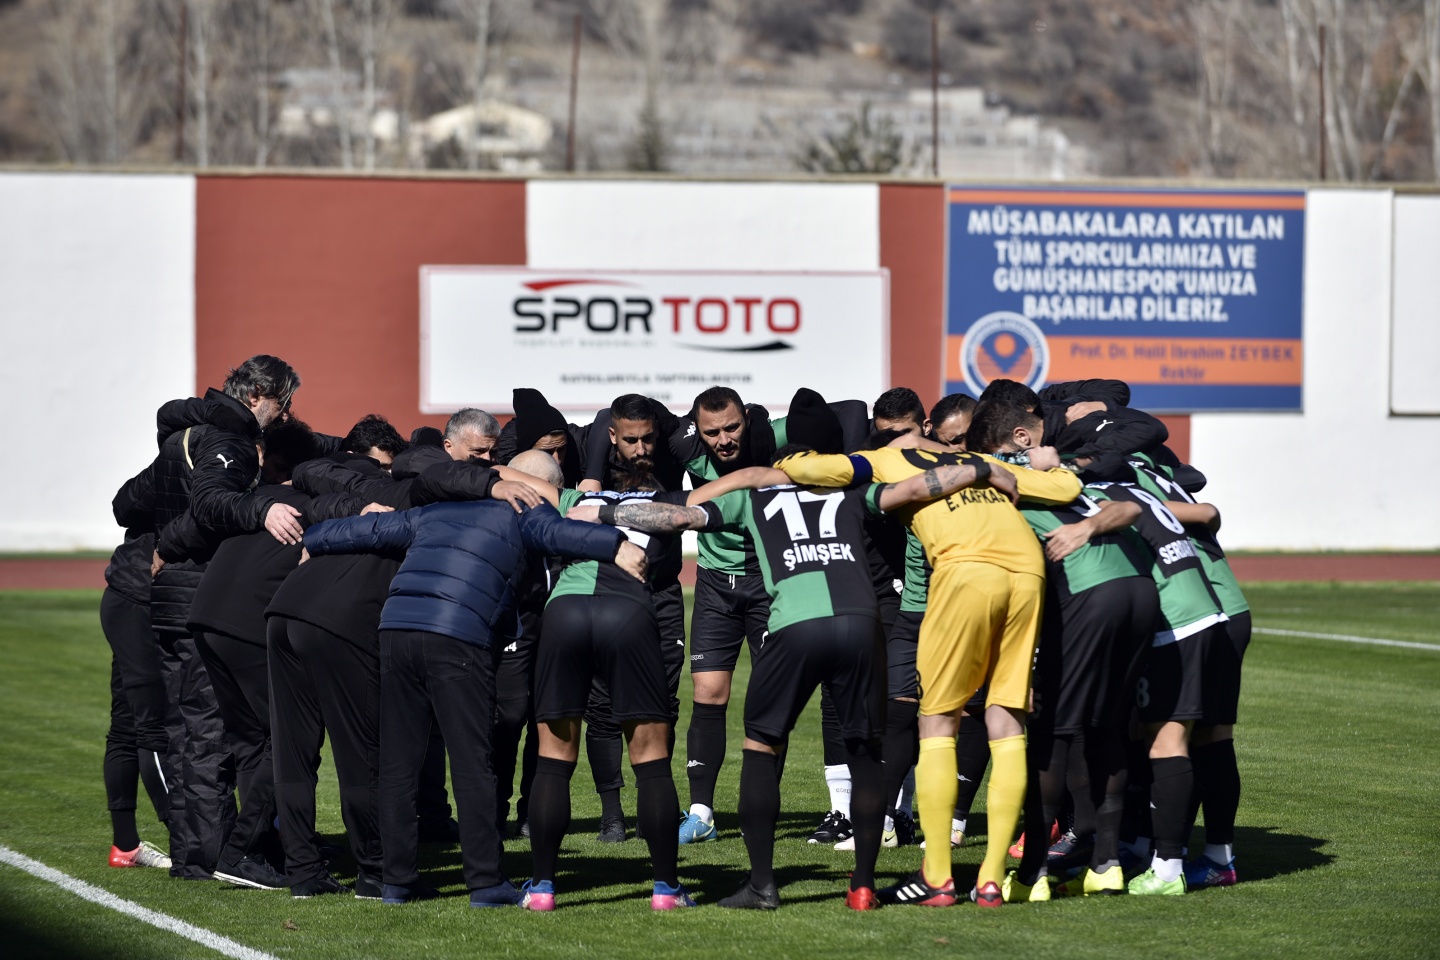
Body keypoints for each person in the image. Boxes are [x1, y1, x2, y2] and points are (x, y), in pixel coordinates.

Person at [773, 430, 1081, 908]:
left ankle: (937, 877)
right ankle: (992, 878)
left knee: (937, 721)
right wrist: (1051, 462)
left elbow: (804, 469)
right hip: (1028, 571)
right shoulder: (980, 458)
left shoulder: (880, 460)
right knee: (1006, 718)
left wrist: (796, 455)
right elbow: (1065, 490)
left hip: (965, 571)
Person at [301, 484, 645, 908]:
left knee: (397, 764)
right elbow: (564, 535)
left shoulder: (434, 511)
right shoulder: (524, 510)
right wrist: (617, 546)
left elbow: (366, 530)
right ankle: (485, 883)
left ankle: (397, 882)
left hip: (396, 631)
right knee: (472, 762)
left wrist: (311, 540)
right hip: (458, 634)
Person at [966, 401, 1160, 901]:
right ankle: (1106, 863)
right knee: (1109, 727)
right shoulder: (1058, 475)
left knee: (1052, 732)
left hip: (1088, 593)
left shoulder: (995, 482)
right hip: (1139, 587)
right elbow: (1131, 507)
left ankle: (1033, 874)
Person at [145, 354, 302, 879]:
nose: (284, 417)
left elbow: (129, 501)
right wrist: (261, 509)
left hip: (169, 598)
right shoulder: (229, 443)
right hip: (199, 596)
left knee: (184, 733)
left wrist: (160, 541)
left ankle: (192, 858)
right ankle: (217, 857)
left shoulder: (183, 431)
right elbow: (213, 505)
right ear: (256, 393)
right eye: (282, 404)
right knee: (211, 735)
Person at [100, 467, 172, 870]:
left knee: (129, 722)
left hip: (131, 594)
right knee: (148, 724)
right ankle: (185, 836)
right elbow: (122, 506)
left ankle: (125, 844)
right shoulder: (185, 460)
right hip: (139, 598)